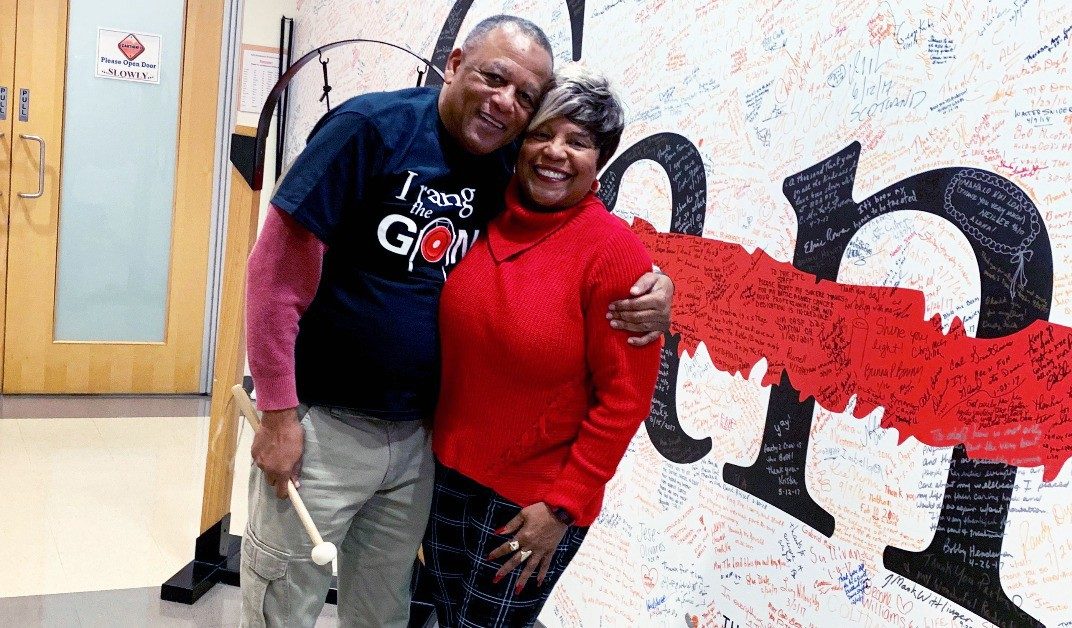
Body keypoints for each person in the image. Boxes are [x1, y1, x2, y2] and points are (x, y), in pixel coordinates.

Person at [241, 15, 673, 628]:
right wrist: (280, 416)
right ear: (455, 64)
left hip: (421, 442)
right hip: (324, 427)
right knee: (284, 596)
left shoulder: (503, 169)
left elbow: (577, 234)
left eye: (525, 97)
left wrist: (657, 286)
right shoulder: (369, 129)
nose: (505, 104)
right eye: (494, 78)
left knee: (384, 606)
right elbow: (274, 280)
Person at [423, 64, 662, 628]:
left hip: (528, 506)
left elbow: (625, 399)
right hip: (445, 473)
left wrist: (562, 507)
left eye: (577, 142)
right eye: (542, 134)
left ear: (599, 160)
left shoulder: (614, 255)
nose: (555, 152)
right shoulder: (485, 209)